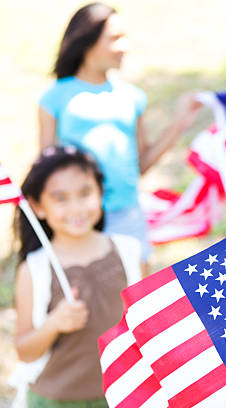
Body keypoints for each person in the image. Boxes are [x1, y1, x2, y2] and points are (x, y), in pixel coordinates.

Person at [38, 2, 203, 262]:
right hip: (79, 219)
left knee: (140, 297)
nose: (124, 46)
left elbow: (140, 165)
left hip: (128, 215)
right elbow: (45, 169)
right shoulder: (55, 97)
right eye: (115, 38)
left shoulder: (132, 97)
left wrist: (179, 123)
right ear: (87, 41)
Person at [11, 146, 142, 407]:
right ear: (37, 207)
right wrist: (53, 324)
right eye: (60, 198)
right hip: (56, 398)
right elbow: (25, 351)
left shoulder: (129, 252)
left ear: (100, 193)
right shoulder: (34, 270)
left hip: (124, 394)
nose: (76, 207)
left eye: (85, 193)